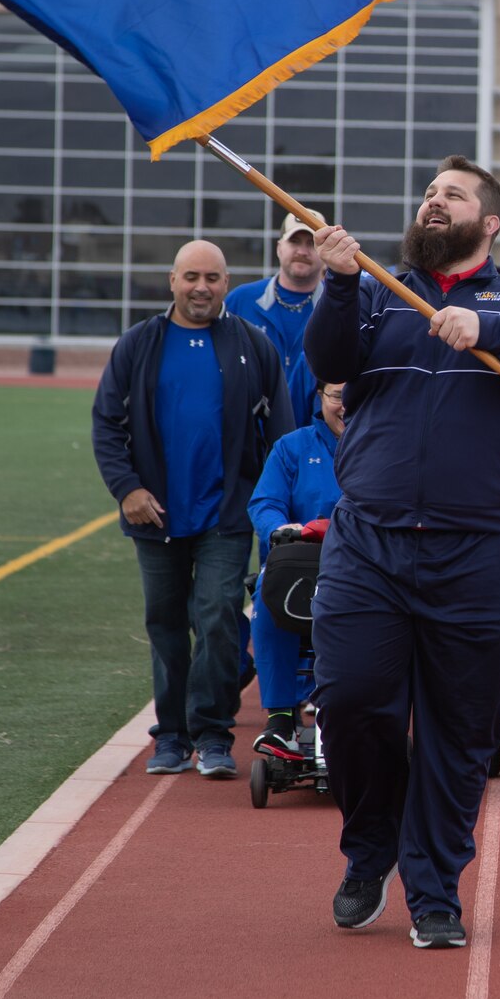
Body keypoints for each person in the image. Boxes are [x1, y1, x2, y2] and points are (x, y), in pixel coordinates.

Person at [304, 154, 500, 950]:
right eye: (429, 192)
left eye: (452, 195)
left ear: (487, 222)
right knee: (352, 698)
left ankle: (434, 891)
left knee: (460, 733)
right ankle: (371, 848)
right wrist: (335, 283)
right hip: (371, 542)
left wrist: (488, 329)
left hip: (485, 549)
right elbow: (328, 363)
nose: (433, 202)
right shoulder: (376, 288)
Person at [92, 240, 294, 779]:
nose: (201, 287)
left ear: (226, 283)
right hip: (153, 515)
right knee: (165, 623)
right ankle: (172, 734)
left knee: (219, 618)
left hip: (225, 516)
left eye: (212, 278)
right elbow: (107, 425)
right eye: (191, 277)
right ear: (172, 280)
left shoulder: (253, 346)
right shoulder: (139, 345)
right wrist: (127, 489)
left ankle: (211, 732)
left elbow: (282, 439)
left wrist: (280, 503)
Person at [246, 379, 346, 760]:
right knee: (270, 597)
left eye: (357, 395)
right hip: (302, 565)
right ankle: (282, 719)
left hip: (365, 567)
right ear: (319, 398)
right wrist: (278, 528)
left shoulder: (384, 445)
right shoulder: (292, 447)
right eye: (337, 396)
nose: (346, 406)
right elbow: (266, 502)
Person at [226, 211, 326, 427]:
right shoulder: (241, 300)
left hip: (311, 444)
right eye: (295, 241)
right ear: (280, 248)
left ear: (325, 253)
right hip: (251, 438)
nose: (302, 251)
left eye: (312, 243)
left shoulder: (337, 309)